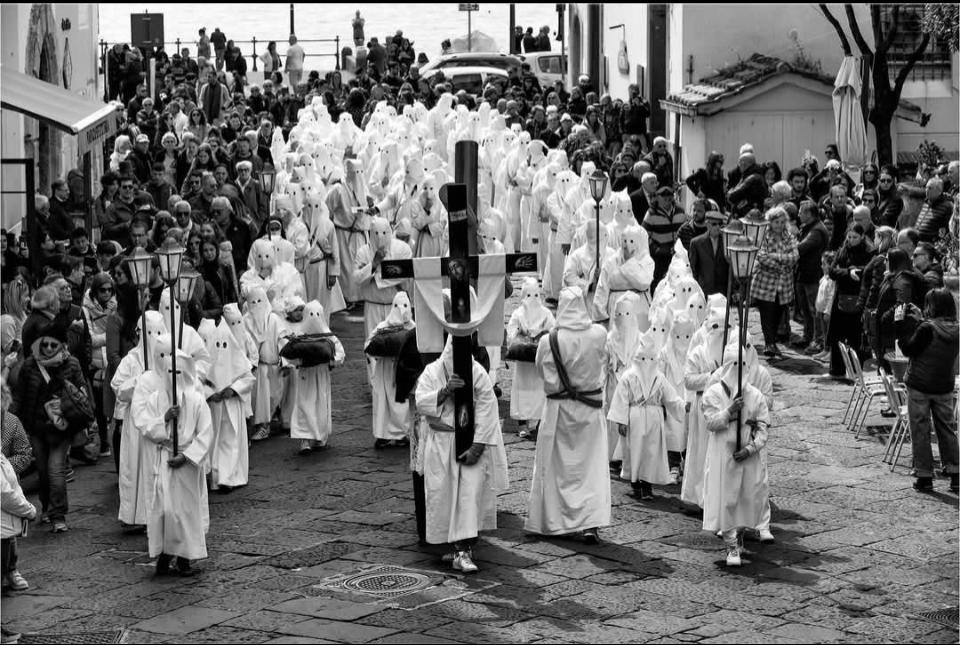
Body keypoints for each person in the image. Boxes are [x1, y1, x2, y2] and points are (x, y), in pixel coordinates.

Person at [414, 334, 509, 573]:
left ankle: (463, 550)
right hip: (441, 443)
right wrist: (445, 391)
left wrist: (478, 446)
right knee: (442, 495)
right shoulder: (432, 371)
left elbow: (488, 408)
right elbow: (420, 401)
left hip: (468, 443)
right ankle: (456, 546)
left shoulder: (477, 372)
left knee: (468, 496)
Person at [526, 286, 610, 543]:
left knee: (557, 467)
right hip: (589, 409)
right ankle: (590, 523)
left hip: (558, 409)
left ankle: (555, 520)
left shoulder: (548, 341)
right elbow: (605, 362)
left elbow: (541, 370)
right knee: (590, 467)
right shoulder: (599, 334)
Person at [132, 337, 212, 577]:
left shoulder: (197, 400)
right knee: (166, 511)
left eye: (179, 370)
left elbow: (206, 433)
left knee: (186, 512)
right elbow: (146, 427)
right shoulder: (156, 399)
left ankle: (185, 558)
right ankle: (165, 555)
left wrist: (187, 456)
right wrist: (164, 419)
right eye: (170, 371)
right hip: (166, 460)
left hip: (186, 465)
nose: (174, 375)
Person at [9, 322, 88, 534]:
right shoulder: (29, 366)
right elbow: (20, 398)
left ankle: (58, 515)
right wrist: (8, 419)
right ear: (39, 343)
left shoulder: (71, 363)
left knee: (55, 471)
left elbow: (82, 393)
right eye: (46, 344)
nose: (50, 349)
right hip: (36, 427)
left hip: (62, 428)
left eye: (55, 345)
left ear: (62, 345)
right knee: (43, 471)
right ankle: (46, 506)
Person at [700, 343, 771, 566]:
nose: (738, 370)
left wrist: (751, 448)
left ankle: (740, 532)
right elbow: (711, 423)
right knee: (728, 499)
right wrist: (730, 412)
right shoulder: (713, 393)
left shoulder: (756, 395)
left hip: (747, 456)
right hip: (723, 455)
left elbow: (762, 427)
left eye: (742, 364)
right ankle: (730, 545)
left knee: (747, 497)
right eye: (734, 365)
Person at [894, 290, 959, 493]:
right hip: (944, 386)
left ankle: (924, 476)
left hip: (920, 385)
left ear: (932, 305)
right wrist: (921, 319)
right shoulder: (956, 329)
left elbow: (908, 349)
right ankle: (955, 473)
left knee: (920, 430)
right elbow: (937, 336)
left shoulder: (926, 328)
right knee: (947, 429)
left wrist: (900, 325)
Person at [608, 331, 685, 500]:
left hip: (654, 419)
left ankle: (647, 486)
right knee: (634, 451)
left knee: (651, 453)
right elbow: (621, 398)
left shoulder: (659, 378)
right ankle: (636, 485)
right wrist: (621, 420)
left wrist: (682, 406)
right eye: (644, 359)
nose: (647, 363)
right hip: (634, 417)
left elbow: (670, 397)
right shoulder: (629, 376)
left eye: (650, 359)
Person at [281, 301, 344, 454]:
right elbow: (289, 356)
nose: (314, 318)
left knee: (321, 403)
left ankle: (320, 436)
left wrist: (330, 361)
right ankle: (305, 438)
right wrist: (301, 361)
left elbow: (340, 354)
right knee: (305, 403)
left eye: (317, 314)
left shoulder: (329, 336)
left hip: (321, 374)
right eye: (310, 314)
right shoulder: (300, 336)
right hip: (306, 374)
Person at [506, 279, 555, 441]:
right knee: (522, 390)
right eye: (528, 294)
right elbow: (511, 329)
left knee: (540, 390)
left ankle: (540, 421)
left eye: (535, 294)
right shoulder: (518, 313)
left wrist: (542, 336)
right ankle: (522, 423)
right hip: (523, 360)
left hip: (538, 359)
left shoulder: (545, 313)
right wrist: (521, 336)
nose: (532, 298)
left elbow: (552, 329)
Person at [365, 292, 414, 449]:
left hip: (404, 370)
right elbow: (368, 346)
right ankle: (383, 434)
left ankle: (402, 434)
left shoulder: (413, 327)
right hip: (385, 371)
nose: (401, 310)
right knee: (383, 401)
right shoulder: (382, 327)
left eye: (405, 306)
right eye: (398, 306)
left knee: (402, 402)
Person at [827, 223, 875, 378]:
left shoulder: (869, 251)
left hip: (858, 299)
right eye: (849, 237)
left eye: (855, 237)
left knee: (856, 337)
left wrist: (855, 270)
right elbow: (832, 271)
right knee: (837, 336)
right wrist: (848, 271)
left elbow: (868, 271)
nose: (851, 240)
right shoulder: (843, 250)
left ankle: (856, 372)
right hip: (841, 298)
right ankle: (836, 370)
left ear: (862, 237)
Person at [752, 207, 798, 357]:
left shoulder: (789, 236)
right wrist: (780, 265)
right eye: (776, 222)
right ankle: (769, 343)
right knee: (767, 313)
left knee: (778, 313)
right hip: (765, 283)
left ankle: (772, 342)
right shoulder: (763, 236)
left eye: (781, 222)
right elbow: (761, 256)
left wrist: (776, 256)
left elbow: (794, 256)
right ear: (770, 222)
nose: (779, 225)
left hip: (783, 285)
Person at [874, 249, 926, 373]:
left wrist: (885, 317)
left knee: (892, 374)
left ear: (894, 261)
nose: (885, 262)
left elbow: (902, 303)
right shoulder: (896, 276)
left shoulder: (903, 279)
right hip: (892, 334)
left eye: (887, 259)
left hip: (896, 335)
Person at [795, 201, 830, 354]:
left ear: (809, 214)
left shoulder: (816, 230)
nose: (798, 215)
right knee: (806, 309)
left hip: (813, 275)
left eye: (801, 212)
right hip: (804, 274)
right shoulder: (809, 227)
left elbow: (801, 248)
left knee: (815, 310)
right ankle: (808, 336)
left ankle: (818, 340)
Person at [688, 210, 728, 296]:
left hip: (722, 292)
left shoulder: (726, 241)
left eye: (720, 224)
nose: (718, 227)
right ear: (707, 225)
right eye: (714, 224)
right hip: (703, 291)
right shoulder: (696, 243)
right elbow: (693, 269)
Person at [915, 178, 952, 243]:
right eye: (926, 187)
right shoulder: (926, 203)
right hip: (917, 241)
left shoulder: (947, 207)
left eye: (930, 188)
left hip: (930, 245)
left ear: (939, 191)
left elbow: (946, 231)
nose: (926, 190)